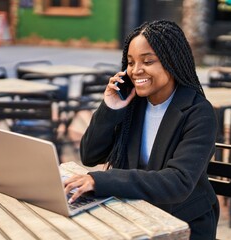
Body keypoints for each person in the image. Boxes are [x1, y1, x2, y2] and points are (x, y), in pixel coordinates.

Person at [64, 20, 219, 240]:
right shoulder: (133, 104)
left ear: (171, 62)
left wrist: (102, 181)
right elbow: (89, 155)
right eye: (130, 62)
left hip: (182, 224)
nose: (136, 71)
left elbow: (178, 182)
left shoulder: (198, 113)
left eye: (147, 61)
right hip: (132, 214)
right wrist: (110, 109)